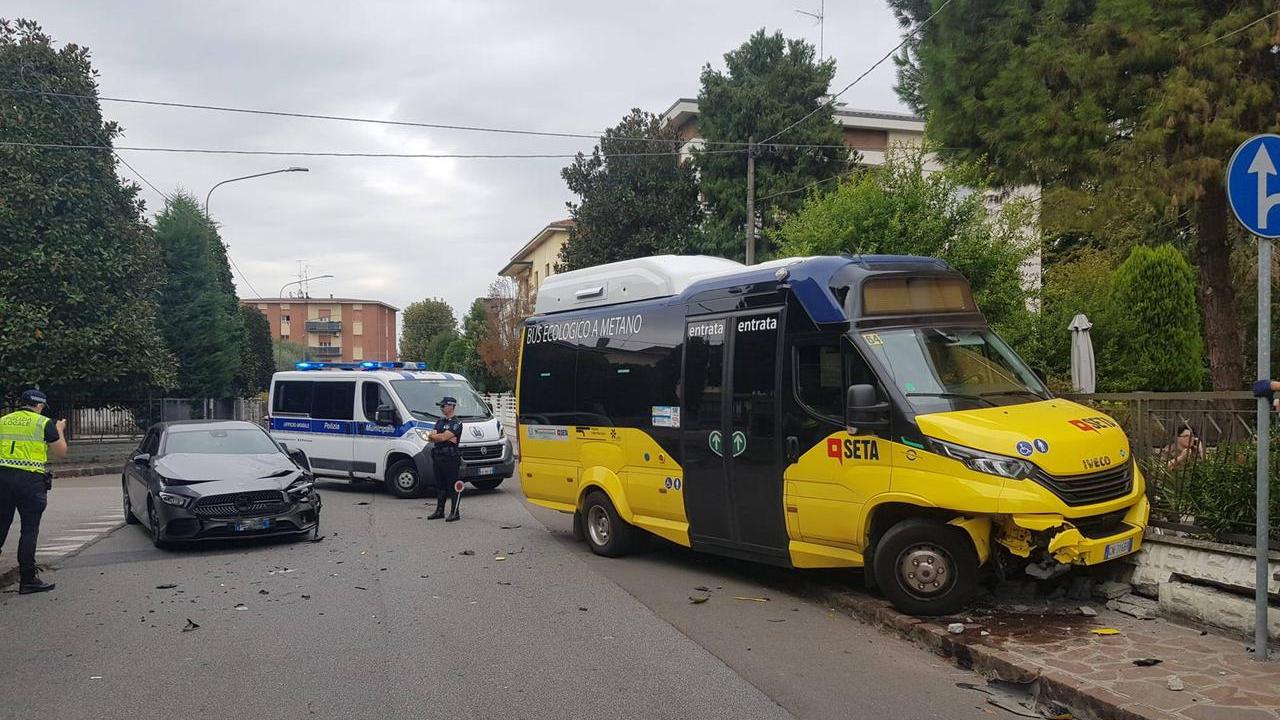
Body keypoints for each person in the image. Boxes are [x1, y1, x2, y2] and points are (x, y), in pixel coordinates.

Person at [0, 389, 67, 594]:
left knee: (1, 525)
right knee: (29, 530)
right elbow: (61, 452)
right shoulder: (43, 423)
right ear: (39, 405)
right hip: (30, 482)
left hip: (3, 478)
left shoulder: (4, 420)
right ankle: (28, 580)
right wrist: (60, 429)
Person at [426, 396, 463, 522]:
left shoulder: (457, 423)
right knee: (440, 485)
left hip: (450, 457)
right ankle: (439, 511)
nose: (441, 408)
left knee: (453, 485)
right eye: (440, 406)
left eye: (443, 406)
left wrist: (439, 436)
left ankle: (455, 512)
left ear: (451, 406)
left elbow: (441, 437)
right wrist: (440, 436)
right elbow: (430, 437)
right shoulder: (440, 421)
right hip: (438, 456)